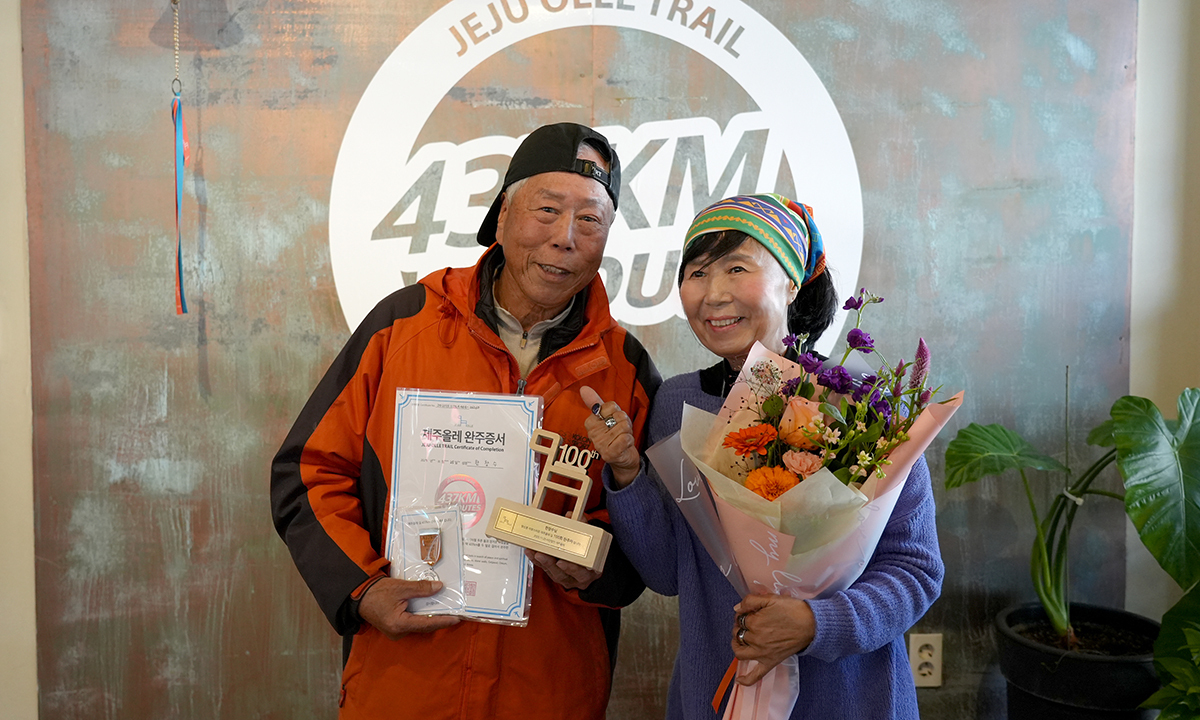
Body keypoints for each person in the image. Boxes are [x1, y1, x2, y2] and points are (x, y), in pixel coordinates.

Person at [271, 122, 660, 720]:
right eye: (547, 210)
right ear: (502, 217)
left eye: (590, 221)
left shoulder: (625, 368)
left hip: (551, 692)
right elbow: (308, 472)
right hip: (404, 684)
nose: (564, 239)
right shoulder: (405, 326)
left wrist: (600, 569)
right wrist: (364, 588)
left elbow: (655, 541)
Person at [581, 194, 944, 719]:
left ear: (792, 284)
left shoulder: (860, 405)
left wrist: (818, 622)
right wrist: (627, 470)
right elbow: (666, 573)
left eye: (737, 267)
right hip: (716, 691)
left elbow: (914, 569)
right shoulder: (676, 404)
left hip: (849, 699)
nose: (715, 293)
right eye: (698, 273)